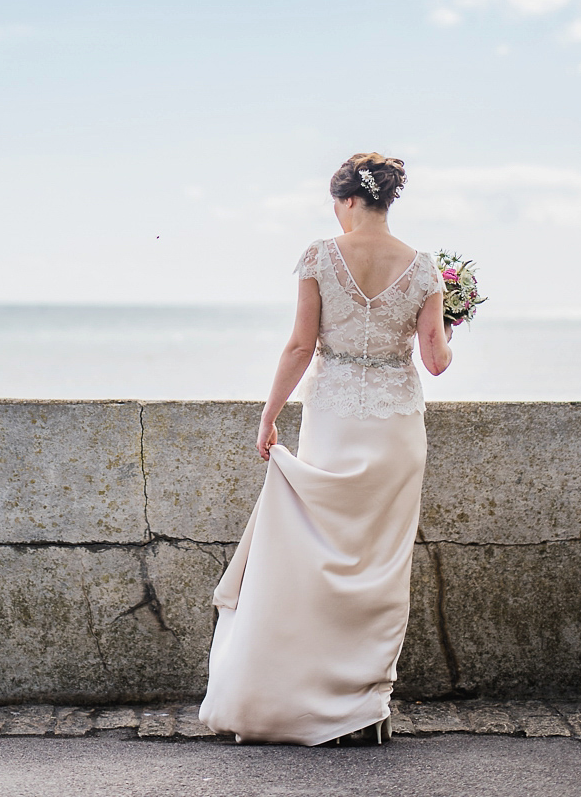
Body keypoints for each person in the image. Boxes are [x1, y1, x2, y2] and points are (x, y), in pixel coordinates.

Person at [199, 152, 452, 746]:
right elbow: (436, 361)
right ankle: (367, 708)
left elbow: (299, 345)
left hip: (334, 421)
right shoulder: (424, 268)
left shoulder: (319, 255)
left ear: (347, 201)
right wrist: (449, 323)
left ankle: (312, 698)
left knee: (319, 561)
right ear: (388, 201)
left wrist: (269, 414)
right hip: (394, 432)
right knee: (381, 567)